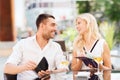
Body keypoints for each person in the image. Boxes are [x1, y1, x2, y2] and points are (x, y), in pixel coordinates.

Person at [4, 13, 68, 80]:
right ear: (42, 26)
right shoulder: (22, 44)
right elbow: (7, 68)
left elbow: (63, 67)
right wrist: (24, 67)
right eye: (52, 25)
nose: (55, 29)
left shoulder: (56, 47)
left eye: (56, 26)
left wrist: (51, 72)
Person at [71, 13, 111, 80]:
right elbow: (73, 69)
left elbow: (109, 69)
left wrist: (99, 66)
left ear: (88, 23)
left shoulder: (102, 43)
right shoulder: (77, 44)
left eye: (79, 23)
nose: (76, 27)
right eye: (76, 24)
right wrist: (81, 60)